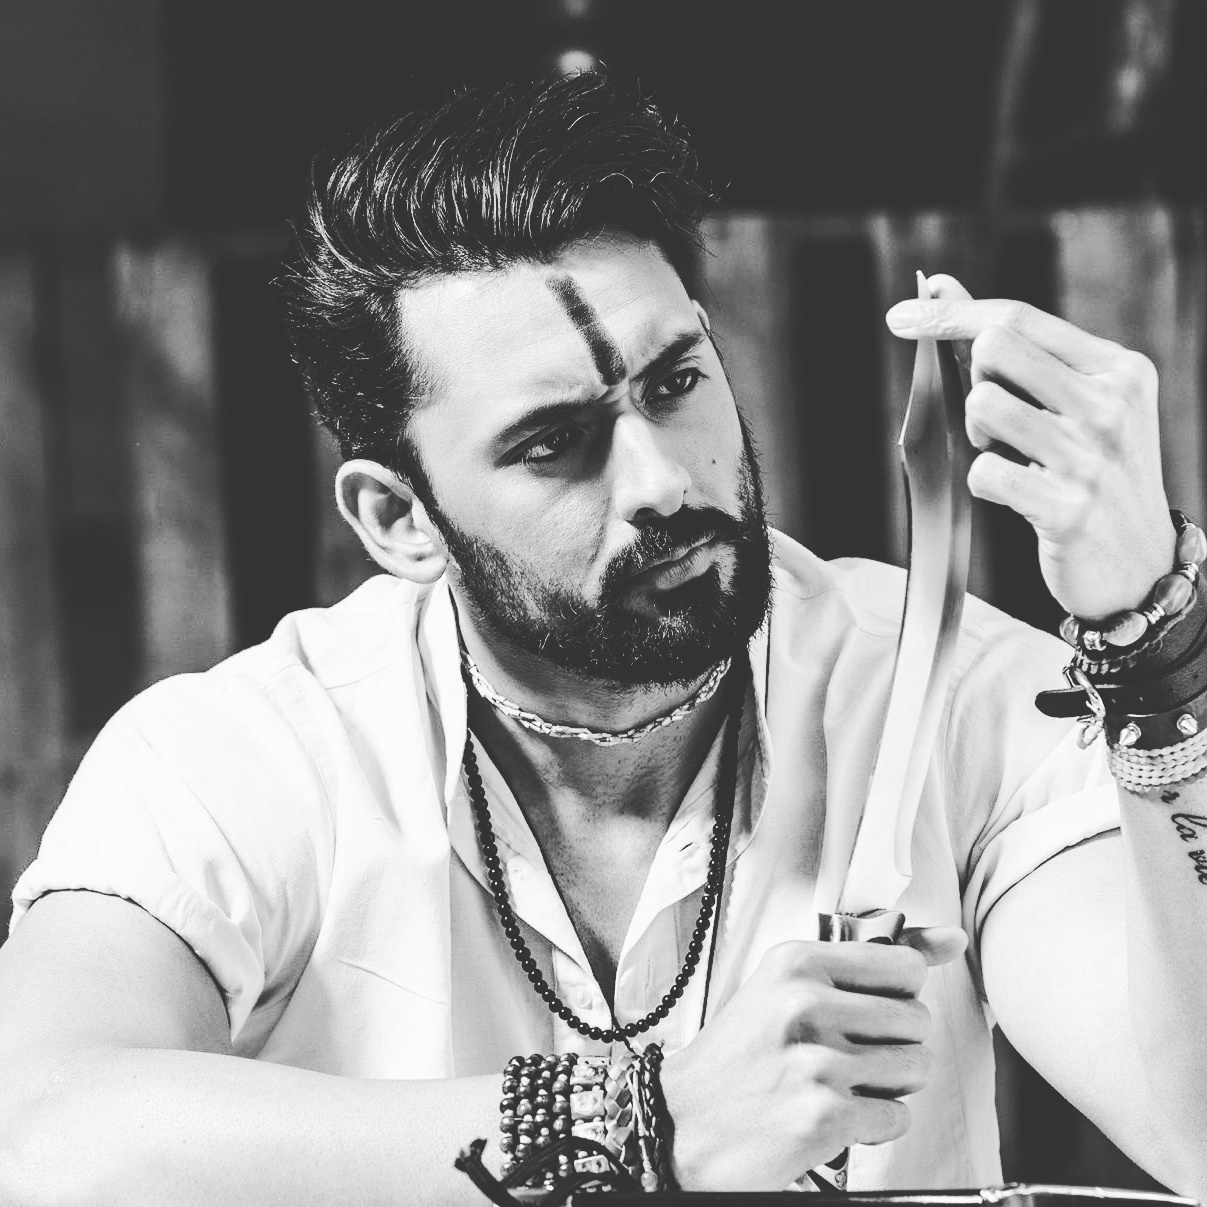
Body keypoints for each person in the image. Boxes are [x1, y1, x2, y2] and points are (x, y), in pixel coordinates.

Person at [1, 71, 1204, 1205]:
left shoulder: (947, 694)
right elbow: (41, 1135)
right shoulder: (248, 756)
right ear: (400, 518)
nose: (663, 481)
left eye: (675, 384)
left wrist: (1156, 640)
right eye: (554, 443)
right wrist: (641, 1119)